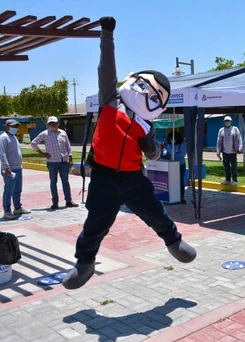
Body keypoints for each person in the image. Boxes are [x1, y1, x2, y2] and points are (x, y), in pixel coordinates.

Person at [62, 17, 196, 290]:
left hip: (134, 179)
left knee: (156, 213)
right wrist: (107, 35)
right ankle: (84, 263)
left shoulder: (147, 126)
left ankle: (174, 242)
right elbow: (106, 67)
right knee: (96, 224)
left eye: (156, 96)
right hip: (104, 177)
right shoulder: (111, 101)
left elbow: (156, 155)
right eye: (145, 87)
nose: (148, 95)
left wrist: (152, 148)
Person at [31, 116, 79, 210]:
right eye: (51, 123)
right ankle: (55, 202)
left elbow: (68, 146)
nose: (53, 124)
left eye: (55, 123)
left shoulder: (63, 133)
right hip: (52, 162)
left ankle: (68, 201)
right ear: (48, 124)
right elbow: (33, 143)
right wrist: (42, 153)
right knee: (53, 182)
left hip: (63, 162)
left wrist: (70, 158)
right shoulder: (44, 134)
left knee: (65, 182)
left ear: (58, 123)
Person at [0, 119, 31, 220]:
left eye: (16, 127)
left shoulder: (13, 137)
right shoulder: (3, 137)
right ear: (7, 126)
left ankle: (17, 208)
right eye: (13, 126)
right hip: (10, 168)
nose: (15, 128)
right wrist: (6, 167)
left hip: (18, 167)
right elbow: (2, 153)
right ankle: (7, 211)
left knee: (18, 189)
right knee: (9, 190)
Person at [216, 116, 242, 186]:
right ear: (224, 122)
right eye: (226, 121)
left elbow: (240, 139)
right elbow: (218, 141)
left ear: (231, 122)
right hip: (225, 152)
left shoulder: (235, 129)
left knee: (234, 166)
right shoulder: (221, 130)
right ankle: (227, 180)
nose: (227, 122)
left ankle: (234, 180)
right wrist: (218, 151)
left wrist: (240, 148)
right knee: (226, 166)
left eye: (228, 121)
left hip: (233, 152)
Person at [163, 131, 187, 204]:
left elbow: (182, 154)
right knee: (172, 181)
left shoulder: (183, 144)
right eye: (170, 138)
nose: (172, 139)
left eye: (173, 138)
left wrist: (173, 157)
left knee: (180, 181)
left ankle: (181, 197)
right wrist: (163, 153)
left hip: (180, 164)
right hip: (171, 165)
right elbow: (167, 153)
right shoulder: (169, 144)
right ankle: (173, 196)